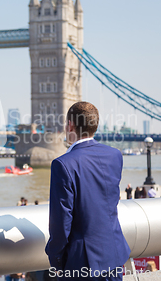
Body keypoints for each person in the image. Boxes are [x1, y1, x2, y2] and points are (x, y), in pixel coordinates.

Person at [45, 102, 130, 281]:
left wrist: (57, 261)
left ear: (70, 126)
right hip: (114, 255)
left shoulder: (63, 164)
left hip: (82, 264)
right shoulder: (115, 155)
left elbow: (61, 222)